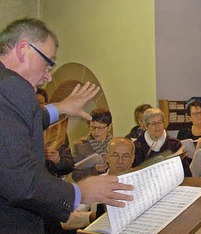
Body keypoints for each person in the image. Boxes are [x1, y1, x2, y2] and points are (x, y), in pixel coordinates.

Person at [0, 18, 132, 233]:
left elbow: (12, 126)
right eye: (48, 63)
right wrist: (79, 192)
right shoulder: (12, 86)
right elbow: (21, 183)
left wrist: (59, 108)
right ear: (24, 49)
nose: (48, 75)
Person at [61, 137, 136, 231]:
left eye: (125, 156)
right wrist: (92, 216)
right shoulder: (96, 183)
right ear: (107, 157)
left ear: (132, 158)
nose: (120, 161)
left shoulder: (142, 183)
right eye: (115, 155)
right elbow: (66, 220)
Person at [71, 108, 113, 181]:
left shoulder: (115, 144)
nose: (96, 132)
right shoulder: (79, 145)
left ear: (109, 127)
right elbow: (75, 176)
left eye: (100, 128)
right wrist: (94, 170)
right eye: (93, 127)